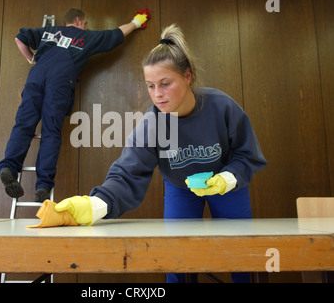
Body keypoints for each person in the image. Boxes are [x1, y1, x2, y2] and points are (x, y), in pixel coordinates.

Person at [29, 24, 267, 283]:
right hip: (180, 188)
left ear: (187, 77)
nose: (157, 95)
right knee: (176, 259)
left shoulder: (221, 106)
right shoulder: (152, 124)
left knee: (243, 255)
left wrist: (228, 179)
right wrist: (93, 205)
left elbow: (247, 154)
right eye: (151, 86)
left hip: (228, 186)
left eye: (165, 84)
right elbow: (127, 174)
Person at [0, 8, 151, 202]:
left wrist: (31, 58)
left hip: (35, 78)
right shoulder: (84, 37)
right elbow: (116, 35)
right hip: (59, 84)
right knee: (51, 133)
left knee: (23, 125)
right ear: (78, 21)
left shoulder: (47, 33)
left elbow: (19, 39)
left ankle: (8, 166)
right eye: (85, 23)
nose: (86, 26)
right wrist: (136, 22)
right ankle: (43, 186)